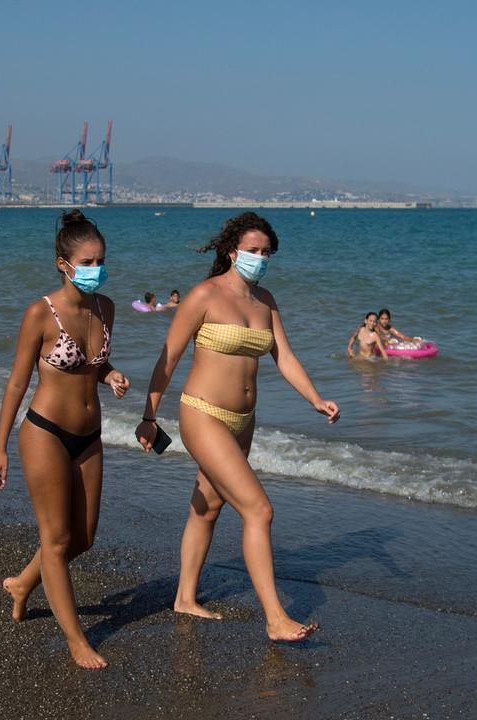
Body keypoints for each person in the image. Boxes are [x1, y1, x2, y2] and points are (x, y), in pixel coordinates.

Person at [134, 212, 339, 642]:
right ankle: (276, 618)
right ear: (232, 252)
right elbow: (168, 359)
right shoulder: (204, 295)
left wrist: (316, 399)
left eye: (266, 253)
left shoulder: (266, 301)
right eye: (252, 251)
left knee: (208, 507)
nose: (260, 259)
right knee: (259, 509)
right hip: (202, 412)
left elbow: (284, 356)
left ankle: (185, 598)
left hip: (243, 421)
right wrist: (149, 415)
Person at [0, 210, 130, 670]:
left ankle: (23, 584)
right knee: (55, 538)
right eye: (88, 261)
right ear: (62, 264)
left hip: (90, 435)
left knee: (84, 538)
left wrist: (111, 375)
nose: (97, 268)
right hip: (45, 432)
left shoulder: (104, 308)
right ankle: (76, 640)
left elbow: (93, 363)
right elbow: (16, 383)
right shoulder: (40, 313)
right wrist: (0, 446)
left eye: (101, 260)